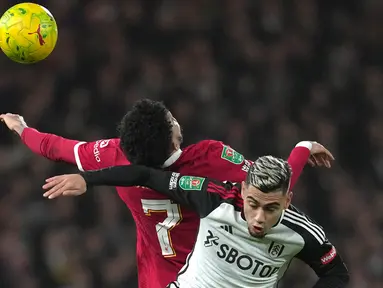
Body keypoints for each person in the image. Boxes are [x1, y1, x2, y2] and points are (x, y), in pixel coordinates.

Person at [1, 100, 333, 288]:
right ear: (172, 140)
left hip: (155, 280)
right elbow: (268, 183)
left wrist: (21, 128)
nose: (176, 119)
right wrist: (301, 150)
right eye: (171, 119)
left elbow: (54, 147)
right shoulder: (210, 157)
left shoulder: (114, 155)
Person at [41, 149, 347, 287]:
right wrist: (88, 180)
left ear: (287, 201)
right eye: (252, 203)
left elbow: (336, 274)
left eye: (271, 209)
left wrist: (303, 148)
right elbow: (147, 175)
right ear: (243, 189)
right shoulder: (212, 197)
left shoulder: (302, 234)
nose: (257, 217)